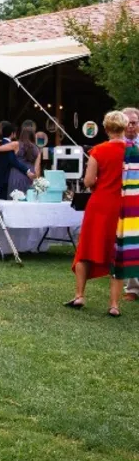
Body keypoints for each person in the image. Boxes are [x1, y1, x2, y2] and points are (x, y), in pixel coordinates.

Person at [66, 111, 132, 316]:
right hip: (123, 207)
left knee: (86, 248)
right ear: (125, 127)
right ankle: (114, 305)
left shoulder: (98, 150)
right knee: (118, 253)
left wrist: (98, 184)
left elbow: (88, 181)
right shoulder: (134, 151)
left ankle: (79, 295)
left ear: (105, 128)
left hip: (99, 204)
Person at [121, 109, 139, 302]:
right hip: (125, 200)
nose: (131, 126)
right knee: (131, 244)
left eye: (134, 122)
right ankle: (132, 288)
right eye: (128, 122)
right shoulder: (118, 146)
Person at [0, 121, 34, 200]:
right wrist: (27, 170)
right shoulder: (10, 145)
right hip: (6, 178)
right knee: (6, 202)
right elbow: (13, 161)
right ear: (12, 133)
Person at [3, 127, 41, 197]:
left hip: (16, 174)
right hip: (30, 176)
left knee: (14, 198)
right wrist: (36, 179)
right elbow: (37, 169)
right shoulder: (37, 149)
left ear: (22, 134)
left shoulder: (16, 144)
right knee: (28, 198)